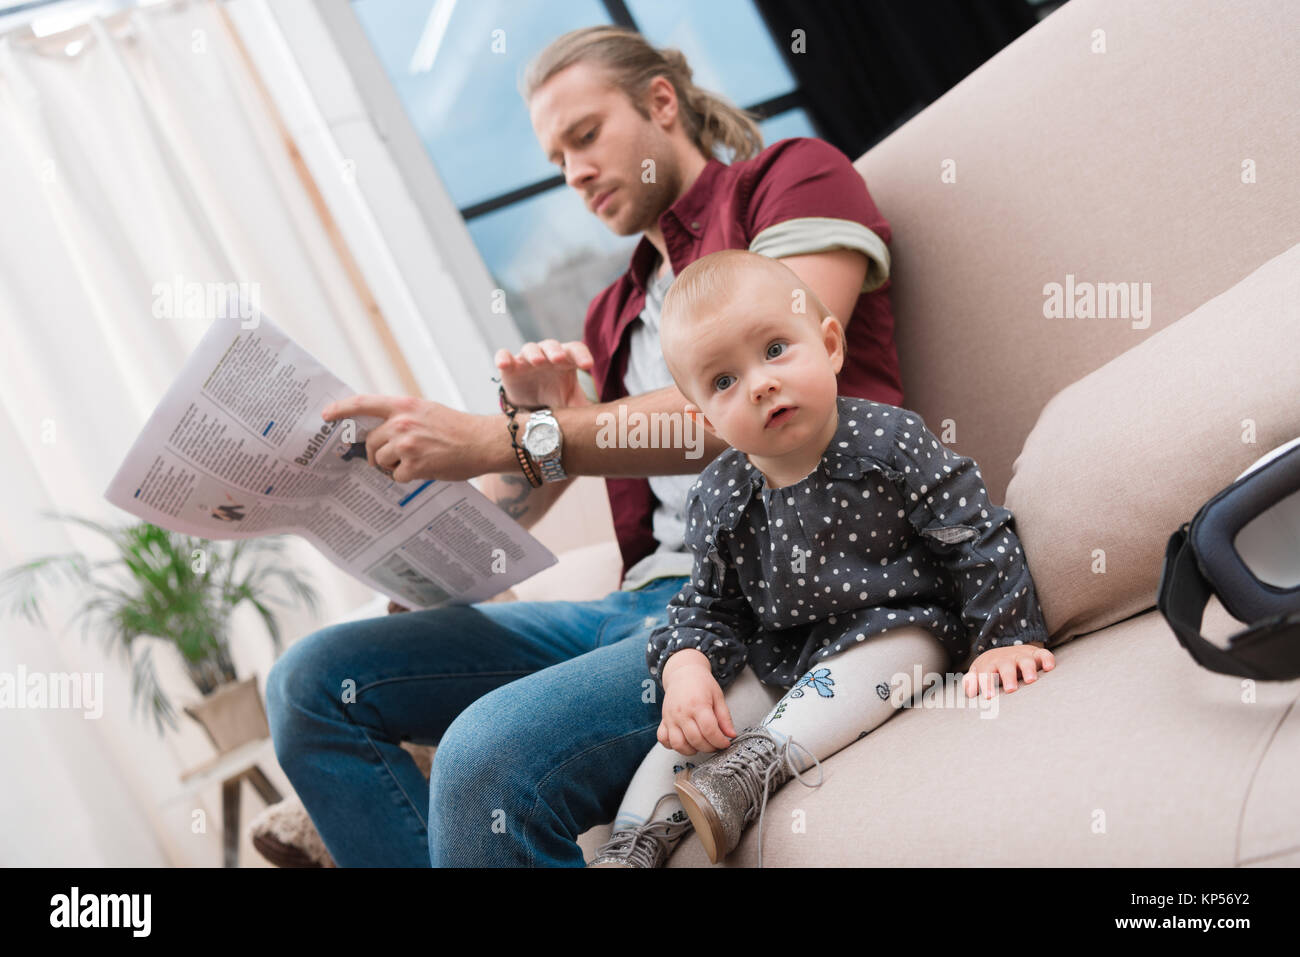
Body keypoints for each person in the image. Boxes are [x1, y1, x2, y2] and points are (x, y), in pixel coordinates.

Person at [265, 24, 902, 867]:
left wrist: (510, 435)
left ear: (661, 103)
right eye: (557, 157)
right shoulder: (615, 312)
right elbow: (544, 483)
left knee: (485, 756)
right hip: (630, 604)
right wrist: (421, 540)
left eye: (586, 136)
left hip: (760, 591)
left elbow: (723, 417)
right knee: (311, 683)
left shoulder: (790, 181)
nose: (574, 173)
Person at [589, 250, 1056, 868]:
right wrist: (687, 668)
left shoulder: (890, 443)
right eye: (724, 382)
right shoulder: (719, 495)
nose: (759, 383)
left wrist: (1005, 636)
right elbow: (709, 604)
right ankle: (632, 845)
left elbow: (974, 532)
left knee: (876, 661)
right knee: (690, 733)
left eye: (776, 349)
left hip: (901, 627)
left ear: (830, 344)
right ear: (705, 415)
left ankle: (756, 767)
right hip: (783, 650)